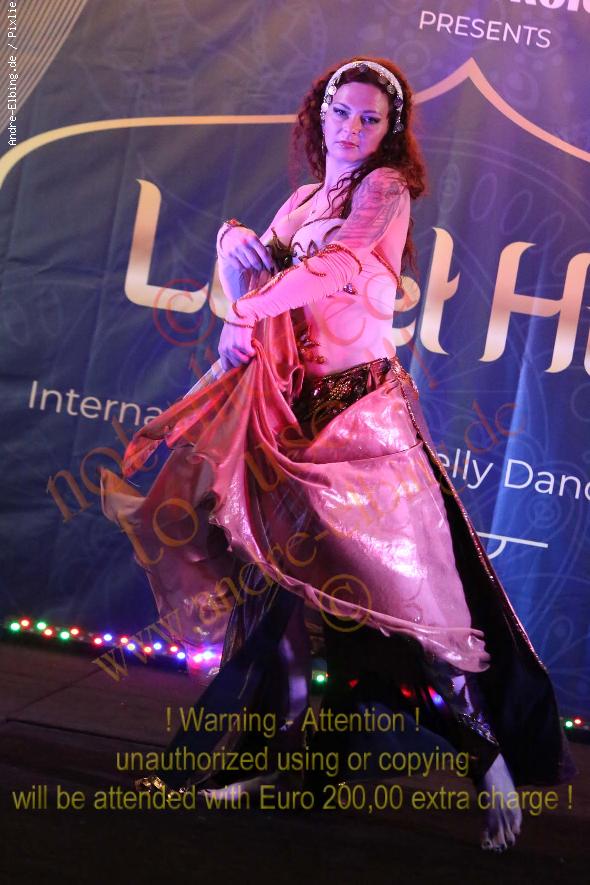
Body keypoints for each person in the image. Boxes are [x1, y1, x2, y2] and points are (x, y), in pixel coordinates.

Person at [101, 56, 576, 852]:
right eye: (341, 112)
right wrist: (233, 257)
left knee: (403, 609)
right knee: (264, 603)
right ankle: (235, 765)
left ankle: (488, 762)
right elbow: (253, 278)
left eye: (370, 118)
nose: (353, 128)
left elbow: (337, 267)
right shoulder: (300, 202)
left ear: (390, 131)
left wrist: (249, 299)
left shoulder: (383, 192)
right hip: (290, 421)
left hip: (360, 425)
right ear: (318, 115)